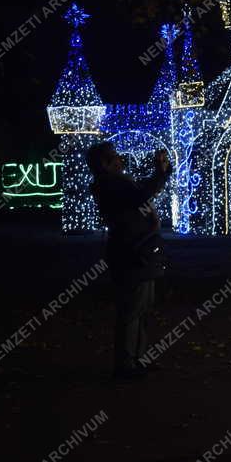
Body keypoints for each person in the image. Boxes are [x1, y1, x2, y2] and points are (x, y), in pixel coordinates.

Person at [86, 142, 172, 380]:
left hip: (139, 251)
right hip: (132, 253)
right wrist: (159, 173)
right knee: (132, 310)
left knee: (141, 308)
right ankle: (126, 364)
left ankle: (137, 358)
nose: (121, 160)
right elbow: (140, 195)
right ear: (105, 163)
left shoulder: (116, 182)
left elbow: (142, 193)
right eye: (115, 157)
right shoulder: (111, 184)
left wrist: (161, 173)